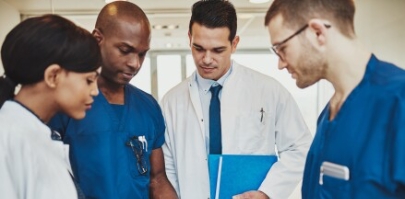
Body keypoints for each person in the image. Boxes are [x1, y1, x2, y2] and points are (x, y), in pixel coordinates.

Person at [160, 0, 313, 198]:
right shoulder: (172, 102)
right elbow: (168, 169)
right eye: (199, 48)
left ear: (234, 44)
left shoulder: (269, 91)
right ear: (189, 38)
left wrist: (267, 193)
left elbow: (300, 147)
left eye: (217, 50)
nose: (206, 59)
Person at [265, 0, 405, 198]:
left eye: (282, 48)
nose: (280, 64)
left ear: (317, 33)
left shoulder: (398, 100)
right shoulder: (328, 115)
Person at [48, 1, 178, 199]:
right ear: (98, 39)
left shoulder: (148, 106)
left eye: (142, 54)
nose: (135, 64)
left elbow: (157, 180)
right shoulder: (66, 103)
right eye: (125, 50)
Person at [0, 14, 101, 199]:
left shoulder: (39, 136)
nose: (95, 91)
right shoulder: (8, 138)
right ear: (53, 76)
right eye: (89, 80)